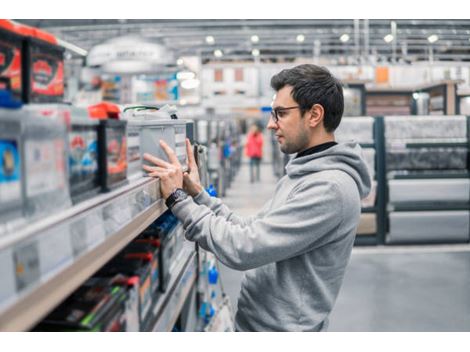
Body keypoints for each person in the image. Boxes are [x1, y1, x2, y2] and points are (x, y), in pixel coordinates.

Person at [142, 64, 371, 332]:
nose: (270, 124)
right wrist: (197, 194)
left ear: (314, 115)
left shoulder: (329, 188)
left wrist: (178, 200)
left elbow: (243, 248)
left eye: (281, 114)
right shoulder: (303, 174)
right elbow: (250, 229)